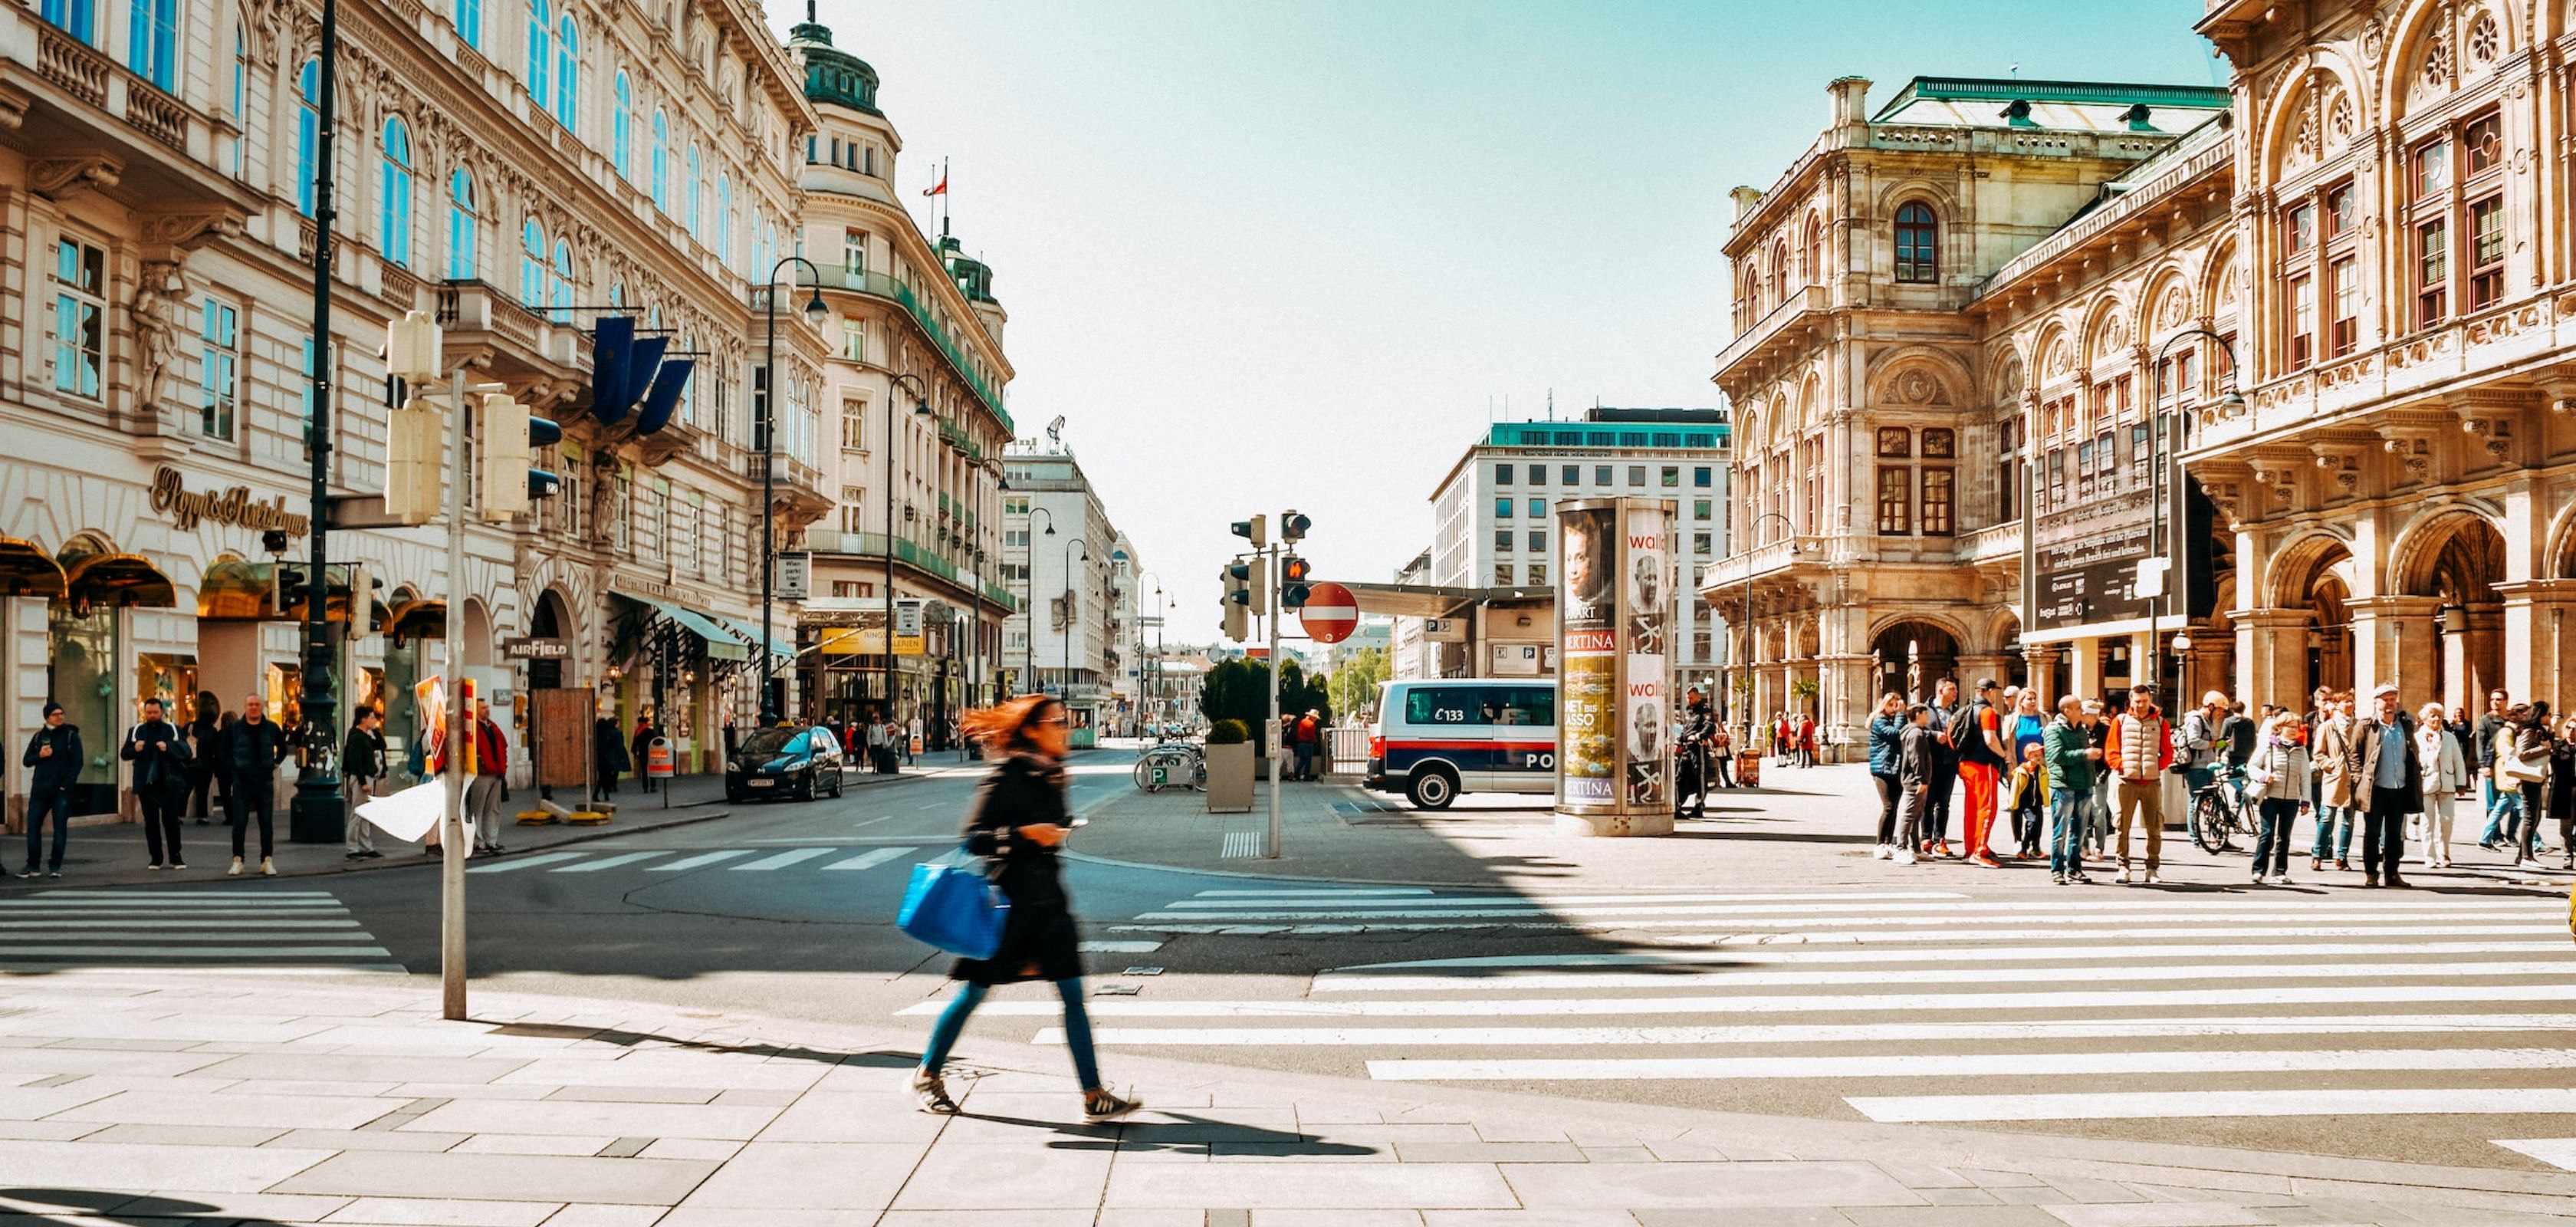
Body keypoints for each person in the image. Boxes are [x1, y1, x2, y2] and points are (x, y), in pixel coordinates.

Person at [912, 695, 1141, 1122]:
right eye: (1056, 722)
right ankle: (928, 1072)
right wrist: (1025, 834)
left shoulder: (1052, 775)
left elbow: (1055, 826)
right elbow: (976, 839)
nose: (1065, 728)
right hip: (1009, 909)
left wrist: (1057, 830)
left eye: (1065, 721)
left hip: (1050, 907)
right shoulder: (1007, 775)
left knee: (1073, 995)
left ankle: (1093, 1095)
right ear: (1033, 730)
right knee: (974, 993)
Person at [2351, 683, 2419, 888]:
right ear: (2375, 702)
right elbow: (2354, 755)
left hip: (2399, 788)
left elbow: (2412, 750)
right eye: (2385, 700)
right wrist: (2357, 780)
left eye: (2392, 699)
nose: (2389, 704)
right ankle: (2372, 873)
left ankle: (2392, 873)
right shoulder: (2366, 725)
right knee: (2372, 833)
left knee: (2394, 834)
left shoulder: (2405, 725)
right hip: (2375, 788)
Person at [2104, 684, 2171, 885]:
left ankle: (2152, 868)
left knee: (2154, 828)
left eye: (2144, 701)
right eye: (2137, 701)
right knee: (2122, 826)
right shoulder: (2121, 721)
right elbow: (2111, 750)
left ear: (2150, 700)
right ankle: (2123, 866)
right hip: (2127, 781)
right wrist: (2122, 766)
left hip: (2151, 782)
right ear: (2131, 701)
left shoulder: (2161, 723)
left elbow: (2168, 752)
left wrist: (2157, 766)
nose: (2141, 705)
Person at [217, 693, 288, 877]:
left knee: (266, 823)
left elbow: (283, 747)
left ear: (262, 706)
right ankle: (238, 860)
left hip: (264, 781)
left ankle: (267, 860)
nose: (254, 707)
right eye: (250, 704)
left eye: (257, 704)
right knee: (239, 822)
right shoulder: (235, 729)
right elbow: (223, 750)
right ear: (245, 707)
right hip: (242, 781)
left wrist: (275, 762)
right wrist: (235, 767)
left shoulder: (271, 728)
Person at [120, 696, 191, 873]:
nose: (152, 715)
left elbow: (187, 752)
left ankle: (176, 857)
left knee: (171, 821)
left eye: (155, 712)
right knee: (151, 823)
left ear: (162, 712)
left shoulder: (173, 730)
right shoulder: (136, 731)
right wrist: (134, 750)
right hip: (146, 783)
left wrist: (169, 748)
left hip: (169, 782)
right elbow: (124, 754)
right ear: (144, 713)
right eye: (149, 712)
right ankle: (156, 858)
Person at [19, 702, 84, 879]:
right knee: (33, 827)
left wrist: (67, 784)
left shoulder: (71, 736)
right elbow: (26, 760)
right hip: (40, 789)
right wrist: (40, 755)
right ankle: (33, 865)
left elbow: (77, 762)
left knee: (60, 828)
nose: (60, 717)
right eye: (56, 714)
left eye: (62, 713)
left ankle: (55, 865)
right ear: (47, 717)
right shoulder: (39, 736)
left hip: (61, 790)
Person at [2246, 711, 2310, 885]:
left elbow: (2305, 776)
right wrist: (2263, 776)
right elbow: (2251, 766)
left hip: (2291, 799)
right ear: (2279, 727)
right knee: (2267, 834)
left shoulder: (2300, 749)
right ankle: (2258, 870)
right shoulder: (2269, 745)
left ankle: (2280, 871)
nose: (2293, 730)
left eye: (2296, 727)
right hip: (2270, 796)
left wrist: (2305, 801)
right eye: (2289, 727)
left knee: (2284, 836)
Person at [1955, 677, 2012, 868]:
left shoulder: (1966, 709)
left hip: (1966, 763)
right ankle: (1980, 850)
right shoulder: (1987, 711)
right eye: (1994, 691)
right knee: (1987, 808)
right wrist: (2004, 756)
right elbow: (1990, 739)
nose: (1995, 695)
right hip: (1983, 764)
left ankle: (1971, 848)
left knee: (1971, 808)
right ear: (1988, 691)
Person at [2042, 696, 2098, 885]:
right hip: (2063, 786)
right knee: (2061, 832)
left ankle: (2074, 868)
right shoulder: (2053, 730)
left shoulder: (2081, 730)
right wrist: (2085, 754)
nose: (2082, 711)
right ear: (2067, 711)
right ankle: (2057, 869)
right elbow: (2057, 756)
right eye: (2078, 707)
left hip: (2084, 784)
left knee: (2079, 831)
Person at [2414, 700, 2466, 870]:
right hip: (2426, 784)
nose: (2436, 719)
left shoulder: (2450, 738)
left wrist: (2461, 783)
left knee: (2447, 820)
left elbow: (2458, 761)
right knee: (2427, 823)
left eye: (2439, 716)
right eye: (2433, 716)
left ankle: (2444, 853)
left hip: (2447, 783)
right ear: (2424, 718)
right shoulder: (2416, 738)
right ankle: (2429, 857)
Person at [2503, 701, 2555, 866]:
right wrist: (2545, 748)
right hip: (2527, 779)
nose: (2550, 717)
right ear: (2540, 715)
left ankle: (2522, 856)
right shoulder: (2529, 730)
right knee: (2530, 818)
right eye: (2548, 714)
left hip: (2536, 780)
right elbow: (2522, 753)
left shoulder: (2541, 731)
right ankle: (2527, 857)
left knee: (2535, 817)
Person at [2312, 691, 2357, 872]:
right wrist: (2331, 765)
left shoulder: (2358, 725)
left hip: (2353, 778)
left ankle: (2342, 857)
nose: (2350, 705)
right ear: (2337, 705)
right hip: (2334, 778)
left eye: (2352, 701)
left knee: (2349, 820)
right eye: (2346, 702)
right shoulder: (2328, 727)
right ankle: (2317, 855)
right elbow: (2318, 753)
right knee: (2326, 817)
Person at [342, 707, 389, 860]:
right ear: (363, 719)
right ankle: (352, 848)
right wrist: (363, 783)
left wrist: (375, 731)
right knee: (357, 813)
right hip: (361, 778)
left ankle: (366, 846)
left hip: (369, 777)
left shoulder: (365, 736)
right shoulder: (356, 737)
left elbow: (382, 745)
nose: (374, 720)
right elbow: (355, 762)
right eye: (371, 718)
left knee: (366, 814)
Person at [1892, 702, 1936, 866]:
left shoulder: (1914, 732)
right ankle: (1901, 848)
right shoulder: (1916, 733)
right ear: (1918, 714)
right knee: (1910, 814)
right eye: (1926, 714)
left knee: (1917, 815)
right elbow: (1916, 758)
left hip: (1914, 779)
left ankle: (1916, 848)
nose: (1928, 717)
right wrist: (1922, 780)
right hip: (1915, 781)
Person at [1923, 679, 1962, 857]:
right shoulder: (1925, 709)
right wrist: (1933, 734)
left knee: (1944, 803)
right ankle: (1926, 837)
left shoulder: (1958, 712)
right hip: (1930, 761)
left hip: (1950, 763)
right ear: (1941, 690)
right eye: (1952, 689)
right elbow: (1914, 729)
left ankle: (1940, 839)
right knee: (1928, 802)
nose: (1956, 692)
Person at [466, 699, 509, 855]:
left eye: (487, 707)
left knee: (493, 809)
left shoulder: (492, 727)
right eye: (483, 707)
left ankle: (491, 840)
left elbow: (503, 746)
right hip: (482, 773)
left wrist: (503, 768)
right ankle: (477, 842)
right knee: (477, 808)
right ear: (476, 710)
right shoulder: (473, 728)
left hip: (495, 773)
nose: (487, 710)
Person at [1867, 692, 1905, 859]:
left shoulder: (1892, 719)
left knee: (1894, 807)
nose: (1894, 708)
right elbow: (1896, 735)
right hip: (1882, 767)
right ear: (1884, 705)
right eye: (1891, 704)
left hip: (1895, 767)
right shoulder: (1879, 721)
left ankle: (1888, 843)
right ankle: (1880, 844)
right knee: (1888, 806)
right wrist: (1901, 714)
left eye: (1897, 704)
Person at [2476, 689, 2512, 850]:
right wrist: (2484, 766)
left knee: (2513, 801)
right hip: (2492, 766)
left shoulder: (2511, 720)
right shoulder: (2486, 720)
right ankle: (2495, 836)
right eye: (2493, 699)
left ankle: (2511, 834)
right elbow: (2480, 743)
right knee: (2493, 802)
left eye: (2499, 699)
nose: (2495, 702)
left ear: (2506, 701)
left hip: (2510, 766)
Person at [2081, 698, 2114, 859]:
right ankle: (2084, 846)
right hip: (2082, 776)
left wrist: (2103, 776)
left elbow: (2110, 754)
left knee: (2099, 814)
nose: (2081, 716)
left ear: (2092, 715)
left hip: (2099, 776)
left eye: (2084, 713)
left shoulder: (2106, 730)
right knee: (2082, 813)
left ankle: (2099, 846)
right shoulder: (2080, 730)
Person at [2005, 742, 2048, 860]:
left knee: (2038, 825)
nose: (2039, 758)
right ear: (2028, 757)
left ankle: (2036, 848)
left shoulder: (2042, 770)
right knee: (2032, 822)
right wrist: (2013, 802)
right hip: (2025, 802)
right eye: (2035, 755)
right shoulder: (2021, 771)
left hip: (2037, 802)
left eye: (2040, 755)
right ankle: (2024, 847)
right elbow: (2015, 788)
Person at [184, 690, 222, 825]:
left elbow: (183, 742)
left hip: (191, 762)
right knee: (203, 791)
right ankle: (202, 816)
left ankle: (179, 814)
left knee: (186, 789)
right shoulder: (212, 731)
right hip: (206, 764)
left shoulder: (191, 727)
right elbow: (215, 749)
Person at [2551, 714, 2576, 871]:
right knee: (2565, 826)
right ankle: (2567, 858)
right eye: (2569, 728)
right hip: (2564, 791)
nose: (2571, 732)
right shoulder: (2558, 747)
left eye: (2575, 729)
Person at [592, 715, 630, 801]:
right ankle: (600, 794)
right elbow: (617, 746)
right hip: (609, 758)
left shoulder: (598, 735)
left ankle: (605, 794)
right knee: (604, 778)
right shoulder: (611, 734)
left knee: (603, 777)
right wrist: (622, 757)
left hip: (600, 758)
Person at [631, 714, 660, 793]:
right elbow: (655, 742)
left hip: (642, 753)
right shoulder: (651, 731)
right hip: (651, 753)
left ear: (640, 723)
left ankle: (645, 788)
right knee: (652, 770)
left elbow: (635, 743)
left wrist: (634, 752)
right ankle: (653, 786)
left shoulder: (638, 731)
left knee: (644, 771)